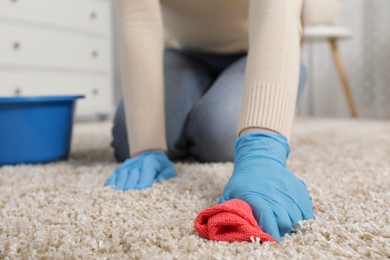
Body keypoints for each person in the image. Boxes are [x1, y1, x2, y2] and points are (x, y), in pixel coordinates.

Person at [107, 0, 314, 242]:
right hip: (185, 53)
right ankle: (206, 94)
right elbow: (137, 19)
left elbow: (276, 9)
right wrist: (147, 147)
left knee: (217, 136)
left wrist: (263, 146)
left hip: (254, 50)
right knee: (128, 137)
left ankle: (281, 78)